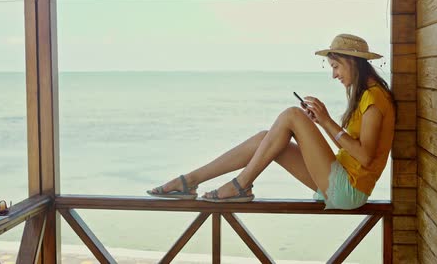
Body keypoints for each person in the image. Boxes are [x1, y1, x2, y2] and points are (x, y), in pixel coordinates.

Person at [147, 34, 396, 209]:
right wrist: (322, 122)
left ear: (351, 62)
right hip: (340, 180)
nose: (334, 75)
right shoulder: (365, 95)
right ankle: (189, 181)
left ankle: (241, 185)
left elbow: (365, 157)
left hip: (350, 190)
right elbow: (350, 146)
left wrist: (326, 121)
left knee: (292, 114)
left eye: (335, 67)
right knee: (265, 138)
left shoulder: (374, 99)